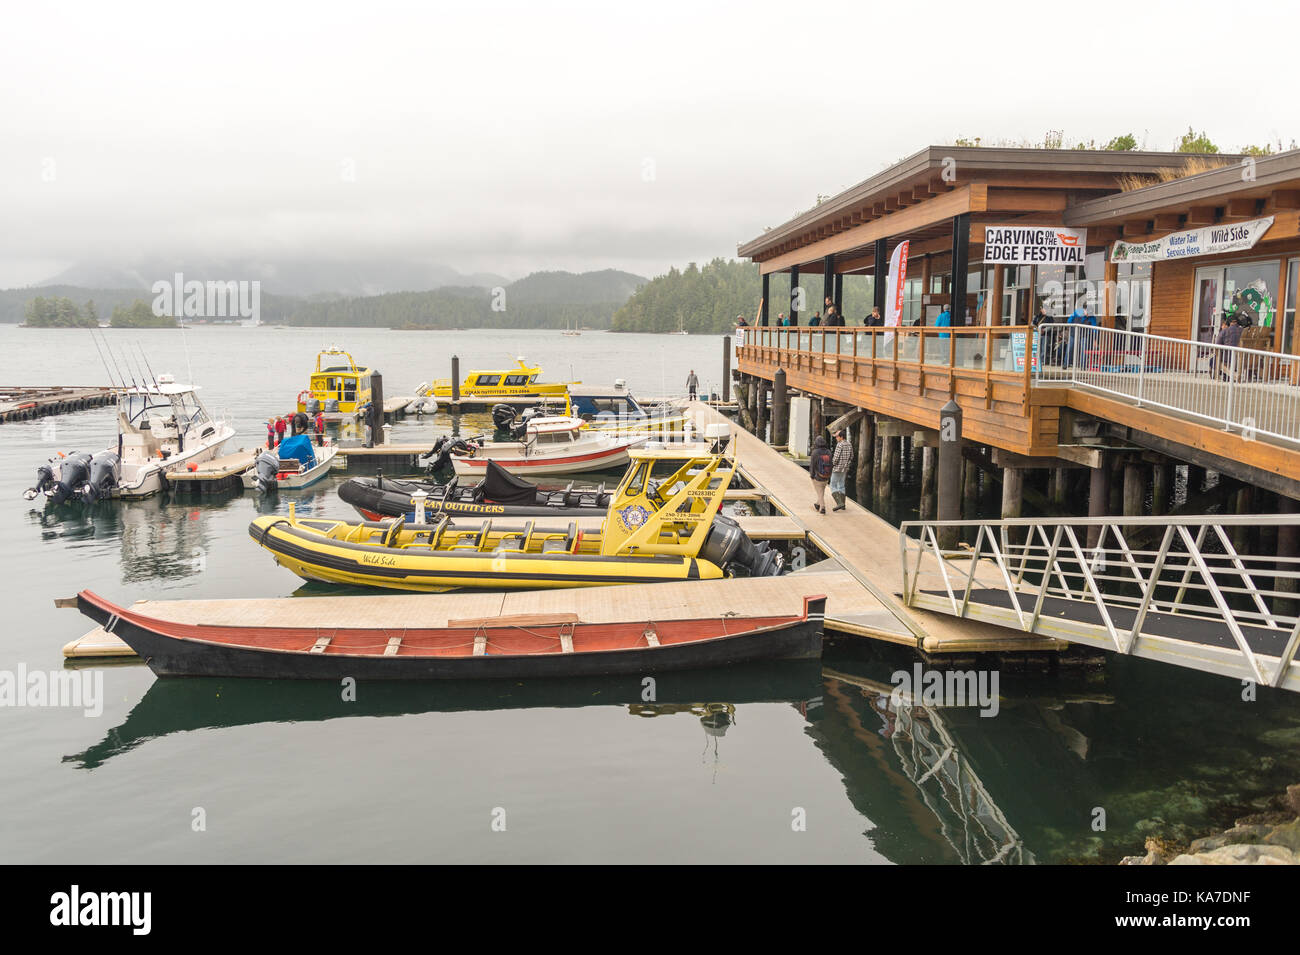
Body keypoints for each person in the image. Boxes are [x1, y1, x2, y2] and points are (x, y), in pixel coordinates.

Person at [829, 428, 853, 511]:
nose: (836, 438)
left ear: (841, 437)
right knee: (841, 485)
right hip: (845, 468)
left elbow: (835, 458)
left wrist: (832, 465)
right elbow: (851, 456)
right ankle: (843, 505)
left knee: (832, 485)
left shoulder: (840, 445)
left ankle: (839, 503)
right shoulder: (849, 444)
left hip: (837, 468)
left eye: (837, 437)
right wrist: (846, 464)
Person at [809, 435, 832, 514]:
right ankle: (817, 504)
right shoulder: (828, 452)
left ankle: (822, 507)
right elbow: (831, 464)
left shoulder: (815, 452)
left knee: (820, 492)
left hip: (818, 477)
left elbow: (812, 465)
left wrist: (812, 475)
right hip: (826, 476)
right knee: (821, 491)